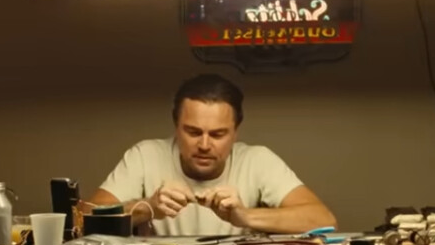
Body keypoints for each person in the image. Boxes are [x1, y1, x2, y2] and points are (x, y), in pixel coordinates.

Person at [87, 73, 336, 236]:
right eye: (193, 132)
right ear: (176, 127)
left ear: (235, 132)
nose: (204, 145)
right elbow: (82, 220)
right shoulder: (145, 156)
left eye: (218, 134)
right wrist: (147, 208)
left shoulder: (258, 160)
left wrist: (244, 216)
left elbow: (323, 220)